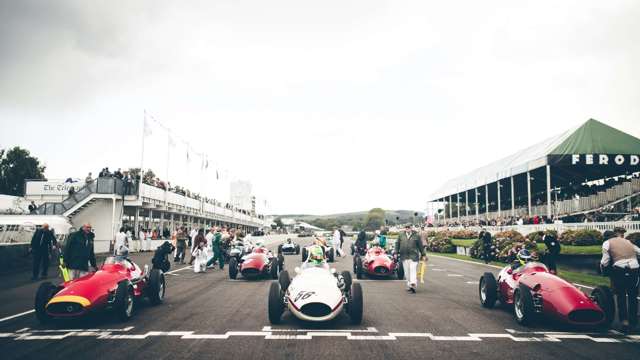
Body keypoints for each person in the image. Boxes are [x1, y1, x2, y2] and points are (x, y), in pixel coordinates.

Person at [600, 227, 640, 332]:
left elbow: (605, 261)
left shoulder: (607, 243)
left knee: (621, 295)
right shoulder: (628, 241)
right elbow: (639, 252)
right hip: (634, 269)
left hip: (620, 269)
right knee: (633, 296)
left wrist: (604, 271)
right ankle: (634, 321)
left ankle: (624, 321)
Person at [395, 225, 425, 293]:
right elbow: (397, 244)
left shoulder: (416, 235)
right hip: (404, 256)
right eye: (406, 227)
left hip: (413, 256)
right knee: (407, 273)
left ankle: (413, 283)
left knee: (412, 269)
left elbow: (420, 246)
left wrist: (423, 254)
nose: (407, 229)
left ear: (411, 228)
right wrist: (396, 253)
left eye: (409, 227)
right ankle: (410, 285)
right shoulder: (401, 235)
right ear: (405, 228)